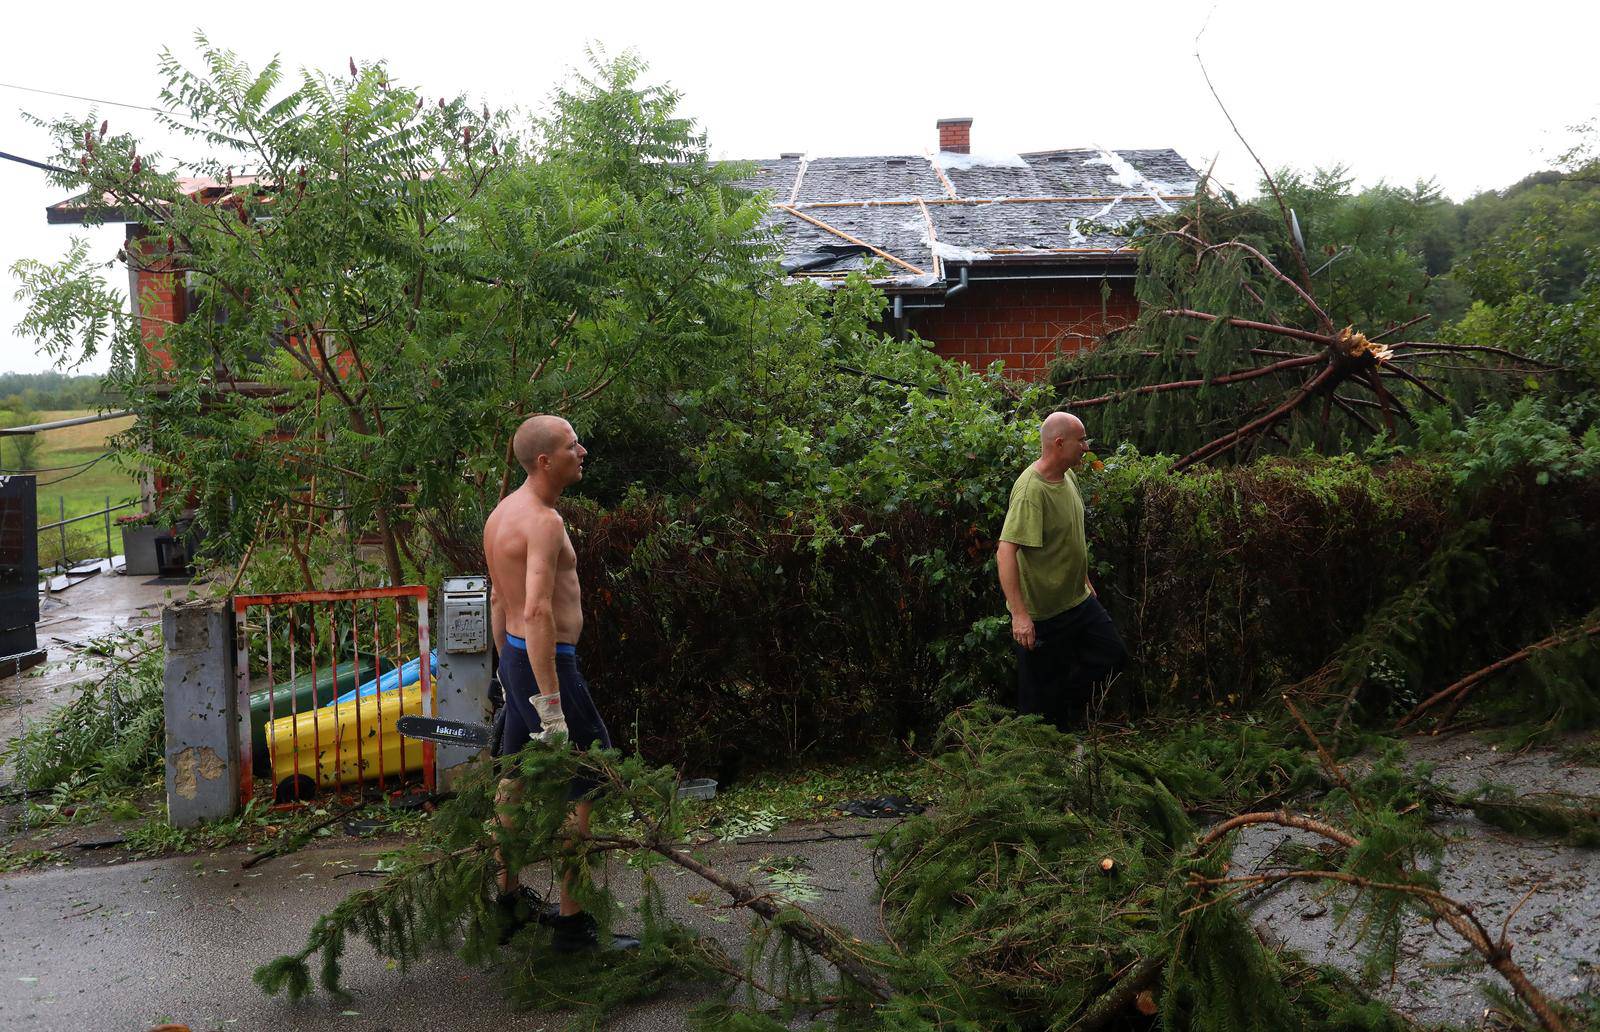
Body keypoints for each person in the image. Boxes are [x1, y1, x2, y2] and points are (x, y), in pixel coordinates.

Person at [483, 413, 637, 952]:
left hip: (520, 661)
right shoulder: (543, 522)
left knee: (515, 777)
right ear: (546, 461)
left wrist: (507, 676)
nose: (584, 452)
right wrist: (549, 706)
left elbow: (499, 603)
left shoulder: (501, 514)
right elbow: (536, 609)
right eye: (574, 446)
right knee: (588, 780)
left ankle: (507, 901)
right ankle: (573, 924)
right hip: (551, 668)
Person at [996, 411, 1127, 729]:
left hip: (1077, 601)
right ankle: (1037, 765)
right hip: (1042, 614)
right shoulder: (1031, 492)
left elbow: (1067, 534)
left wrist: (1082, 578)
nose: (1086, 446)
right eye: (1081, 440)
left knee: (1113, 655)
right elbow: (1005, 552)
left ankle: (1066, 710)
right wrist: (1019, 615)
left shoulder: (1068, 475)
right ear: (1059, 443)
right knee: (1035, 711)